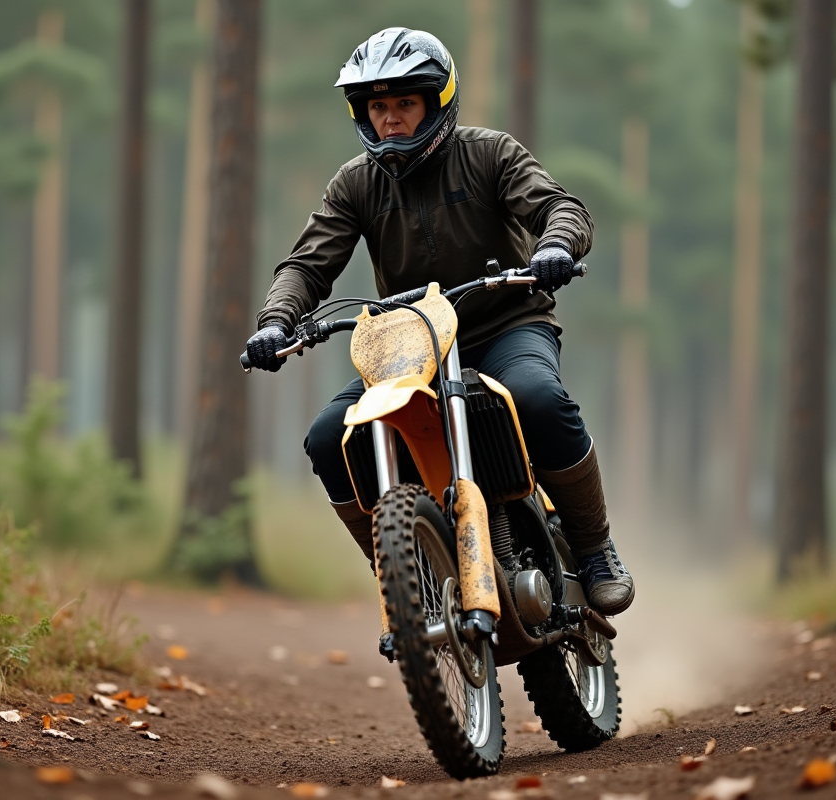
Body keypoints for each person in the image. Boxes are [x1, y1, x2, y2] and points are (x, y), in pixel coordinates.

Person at [245, 27, 634, 620]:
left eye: (405, 102)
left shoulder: (490, 153)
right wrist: (276, 322)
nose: (390, 119)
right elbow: (306, 265)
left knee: (537, 396)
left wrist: (555, 246)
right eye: (377, 106)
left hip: (506, 325)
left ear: (437, 101)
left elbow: (561, 208)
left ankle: (594, 548)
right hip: (411, 345)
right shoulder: (355, 183)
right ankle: (407, 580)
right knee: (329, 438)